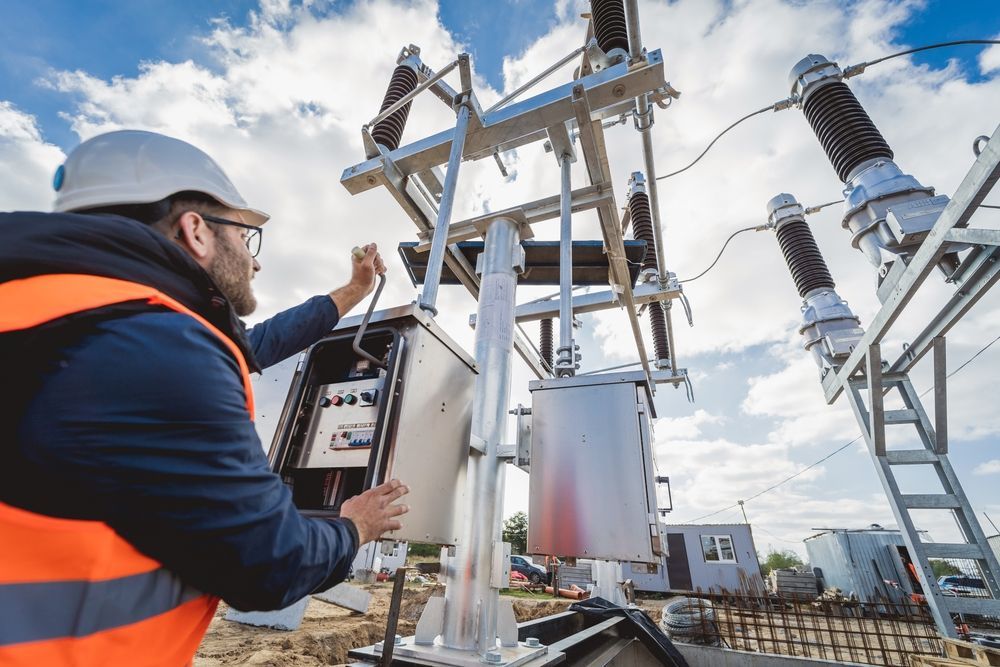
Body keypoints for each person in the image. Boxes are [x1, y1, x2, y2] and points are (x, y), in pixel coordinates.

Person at [0, 130, 409, 665]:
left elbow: (254, 344)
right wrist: (354, 526)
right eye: (246, 237)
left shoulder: (57, 312)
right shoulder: (155, 346)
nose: (254, 261)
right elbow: (269, 565)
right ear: (195, 230)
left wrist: (351, 293)